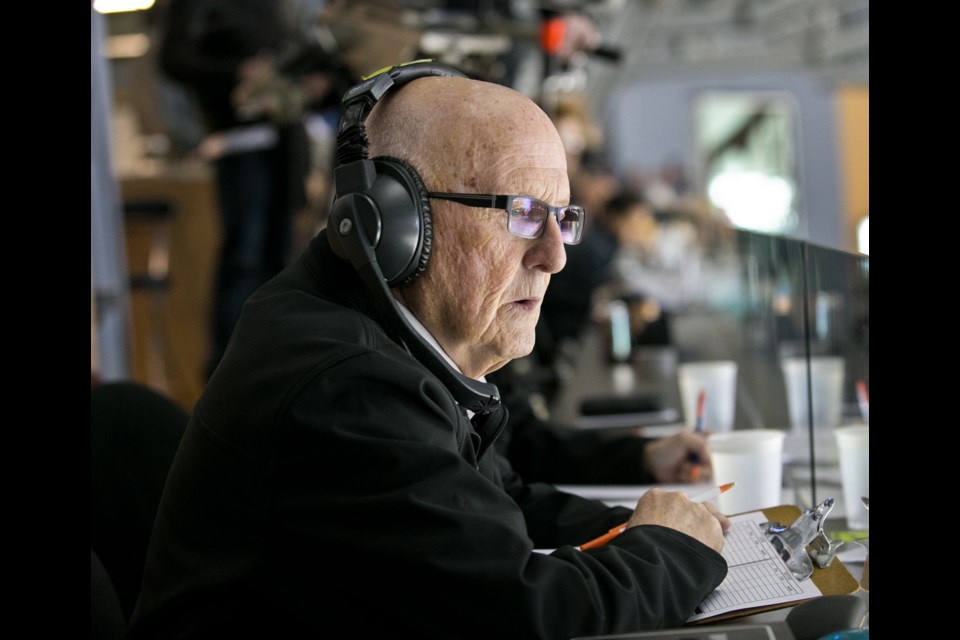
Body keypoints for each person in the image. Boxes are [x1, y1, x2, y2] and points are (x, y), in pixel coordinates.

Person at [128, 62, 729, 639]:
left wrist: (639, 526)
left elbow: (495, 503)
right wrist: (667, 551)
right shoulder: (345, 383)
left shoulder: (382, 333)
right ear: (395, 222)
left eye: (561, 218)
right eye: (523, 214)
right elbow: (528, 617)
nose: (556, 256)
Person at [155, 0, 314, 380]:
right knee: (245, 259)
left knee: (282, 263)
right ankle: (229, 373)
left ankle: (276, 367)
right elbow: (173, 59)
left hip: (284, 143)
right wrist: (238, 72)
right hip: (239, 145)